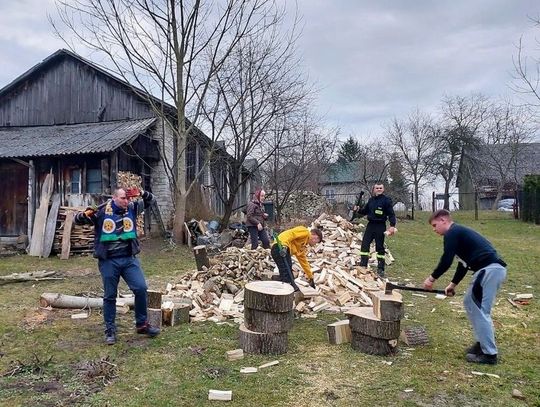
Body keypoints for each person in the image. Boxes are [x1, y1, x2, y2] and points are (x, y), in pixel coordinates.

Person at [74, 187, 160, 345]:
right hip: (109, 261)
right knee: (110, 295)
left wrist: (141, 193)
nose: (126, 201)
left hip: (128, 259)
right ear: (114, 198)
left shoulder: (132, 208)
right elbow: (77, 220)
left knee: (141, 288)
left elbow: (151, 200)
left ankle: (142, 324)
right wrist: (84, 214)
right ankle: (110, 330)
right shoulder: (100, 212)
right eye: (122, 198)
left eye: (127, 198)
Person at [423, 209, 507, 365]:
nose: (434, 230)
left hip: (488, 269)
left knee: (478, 308)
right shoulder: (458, 234)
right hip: (490, 270)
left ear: (443, 220)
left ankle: (489, 354)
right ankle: (482, 344)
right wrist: (452, 284)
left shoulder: (452, 233)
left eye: (435, 225)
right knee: (471, 304)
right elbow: (462, 264)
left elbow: (446, 260)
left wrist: (431, 278)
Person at [354, 183, 397, 277]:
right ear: (374, 189)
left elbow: (391, 214)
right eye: (377, 188)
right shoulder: (371, 200)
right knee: (365, 245)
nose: (379, 189)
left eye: (380, 188)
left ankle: (380, 269)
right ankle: (363, 265)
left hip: (380, 226)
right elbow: (365, 211)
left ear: (383, 189)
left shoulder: (386, 201)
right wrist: (358, 210)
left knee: (379, 247)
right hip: (370, 225)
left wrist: (392, 225)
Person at [270, 226, 323, 291]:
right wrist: (284, 246)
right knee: (286, 272)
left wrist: (310, 277)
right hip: (279, 247)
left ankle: (284, 289)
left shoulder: (302, 246)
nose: (315, 244)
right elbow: (290, 234)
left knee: (288, 272)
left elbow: (304, 262)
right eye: (316, 241)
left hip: (284, 251)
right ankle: (286, 290)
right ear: (315, 236)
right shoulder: (305, 232)